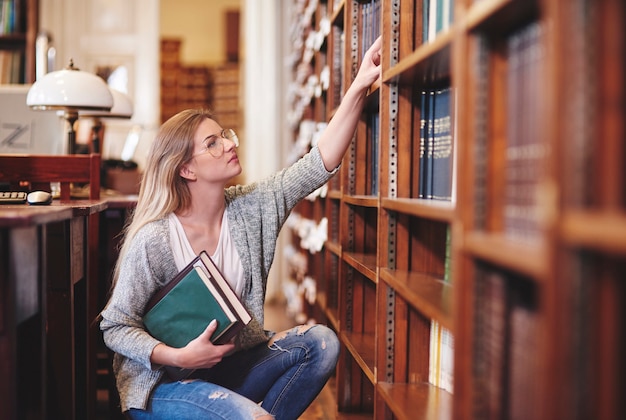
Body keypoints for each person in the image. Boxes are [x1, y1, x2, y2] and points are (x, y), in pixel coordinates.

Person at [99, 36, 382, 420]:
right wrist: (178, 355)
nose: (230, 145)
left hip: (230, 369)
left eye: (225, 136)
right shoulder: (155, 239)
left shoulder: (252, 208)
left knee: (321, 343)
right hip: (163, 384)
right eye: (212, 143)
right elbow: (115, 326)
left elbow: (318, 163)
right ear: (187, 169)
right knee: (253, 417)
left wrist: (360, 84)